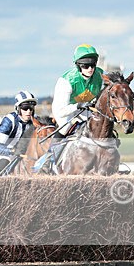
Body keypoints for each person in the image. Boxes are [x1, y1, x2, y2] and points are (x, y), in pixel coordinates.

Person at [35, 44, 105, 174]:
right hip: (66, 110)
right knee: (65, 128)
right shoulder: (66, 81)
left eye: (93, 65)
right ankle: (48, 160)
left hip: (87, 108)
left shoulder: (100, 75)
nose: (90, 69)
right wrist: (78, 106)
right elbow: (61, 110)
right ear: (78, 66)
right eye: (85, 66)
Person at [0, 90, 37, 176]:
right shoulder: (9, 121)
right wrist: (12, 151)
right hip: (6, 151)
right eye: (25, 108)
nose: (29, 111)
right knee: (5, 161)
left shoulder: (34, 120)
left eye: (31, 108)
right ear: (18, 108)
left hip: (22, 153)